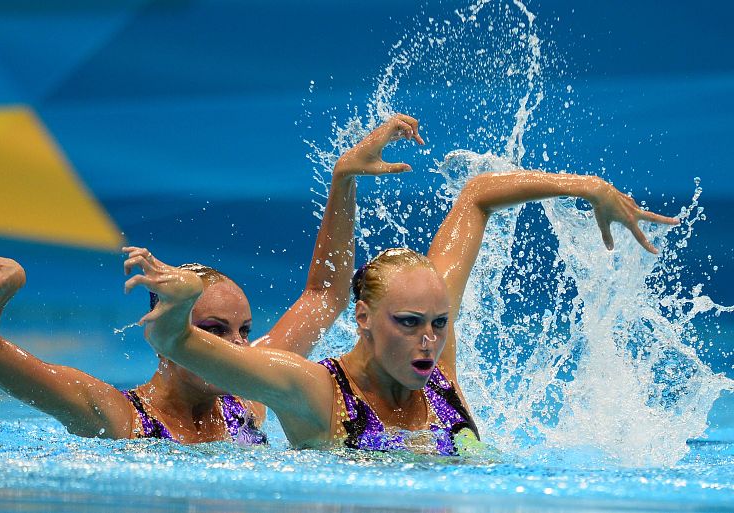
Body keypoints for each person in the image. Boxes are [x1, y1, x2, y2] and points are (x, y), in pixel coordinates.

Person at [127, 135, 678, 454]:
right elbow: (187, 348)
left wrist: (589, 187)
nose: (430, 339)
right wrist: (175, 309)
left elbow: (480, 194)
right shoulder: (315, 392)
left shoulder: (439, 369)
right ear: (365, 318)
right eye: (410, 322)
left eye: (440, 322)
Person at [0, 114, 426, 444]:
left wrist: (344, 180)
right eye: (215, 331)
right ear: (163, 331)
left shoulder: (250, 398)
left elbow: (325, 294)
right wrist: (0, 292)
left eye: (244, 331)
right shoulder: (118, 417)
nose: (237, 347)